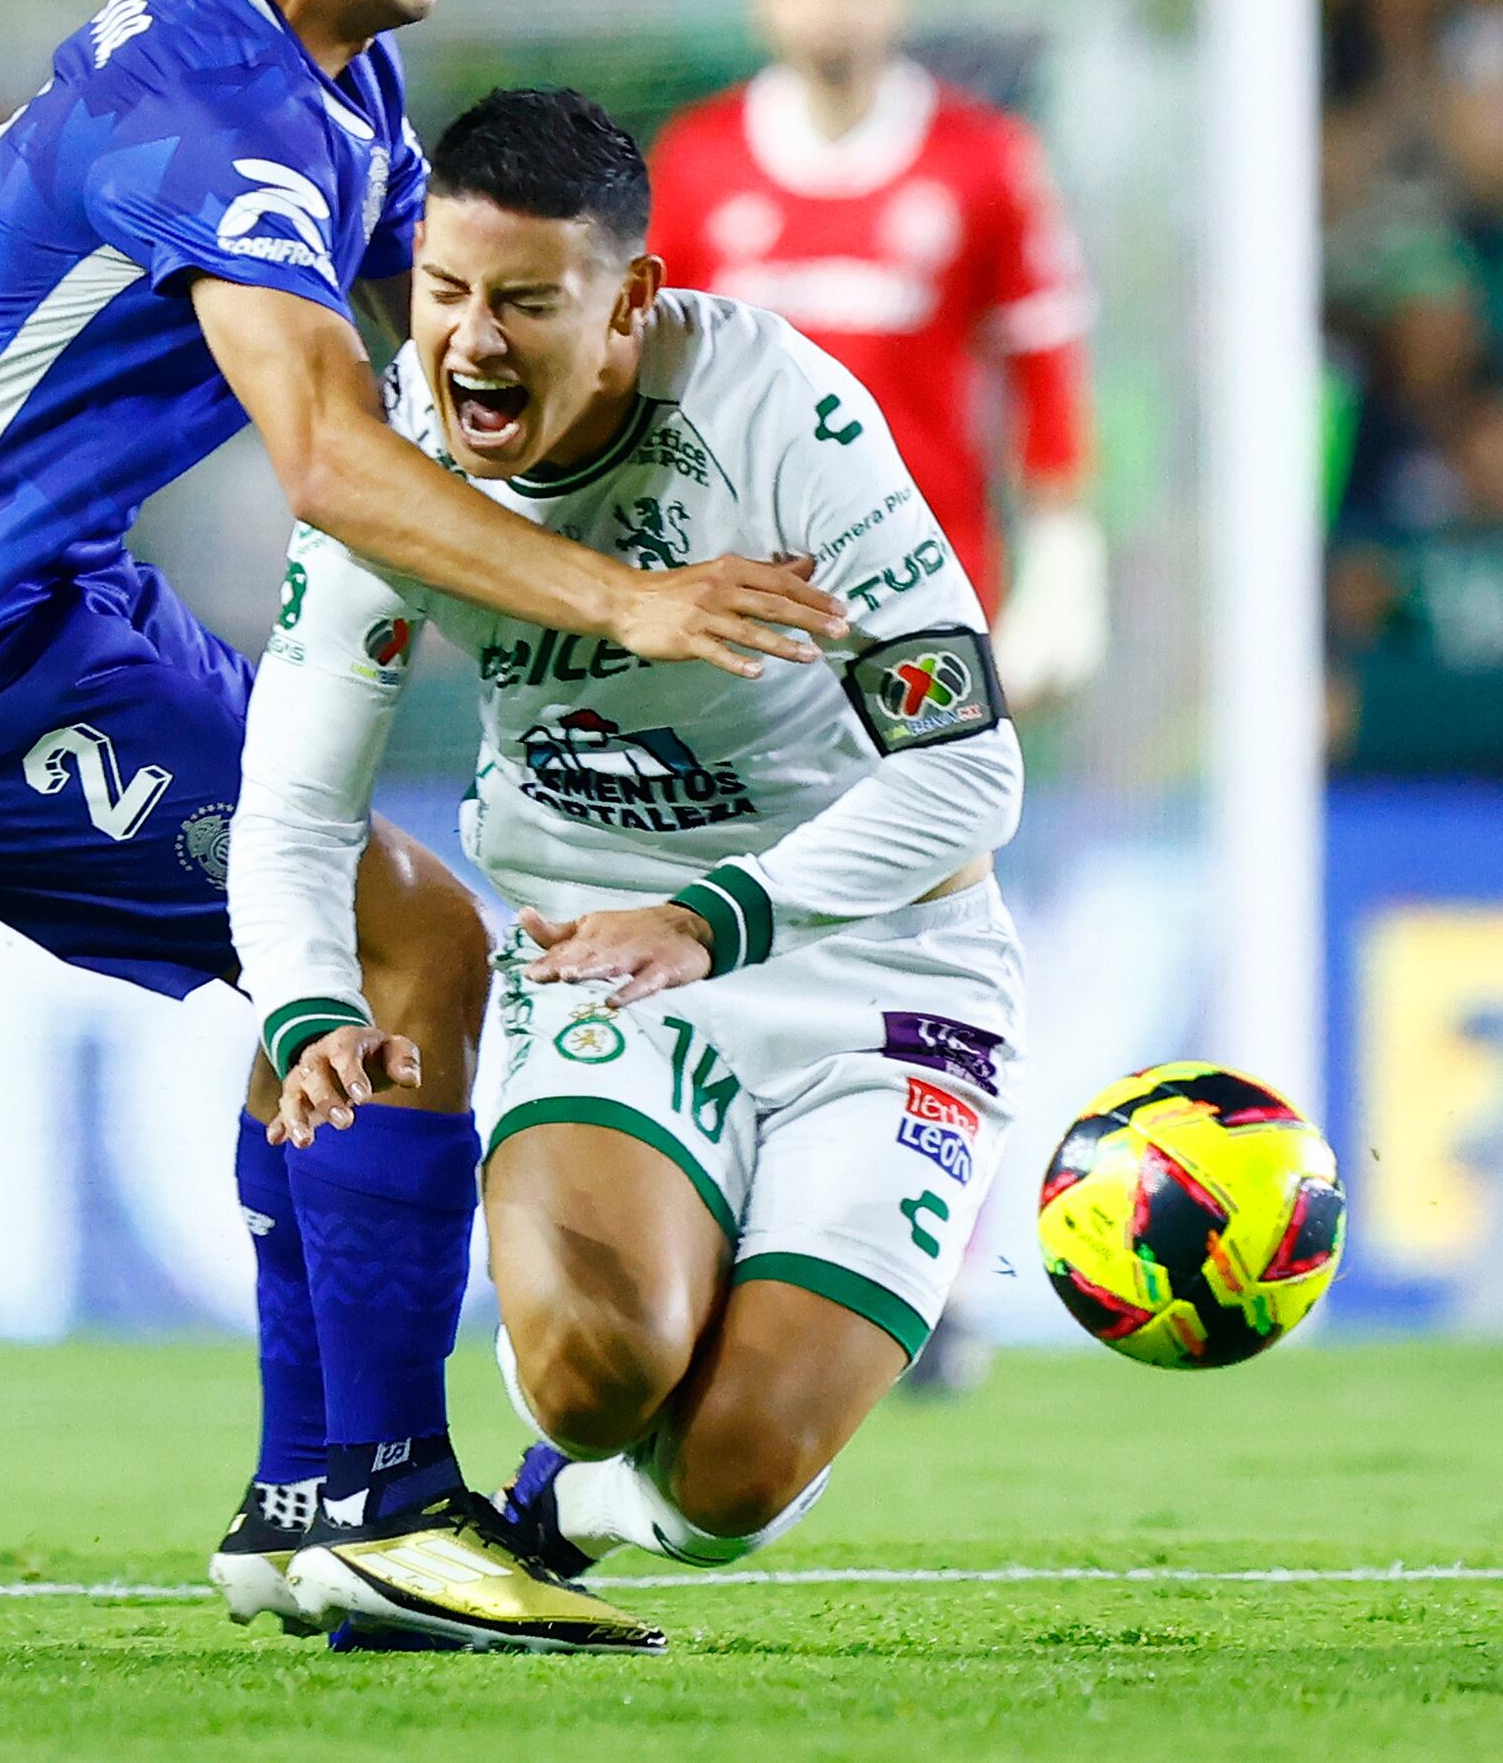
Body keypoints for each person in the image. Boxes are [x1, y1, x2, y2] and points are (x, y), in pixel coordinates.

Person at [0, 0, 844, 1653]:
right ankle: (372, 1498)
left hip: (52, 604)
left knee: (343, 931)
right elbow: (334, 455)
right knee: (404, 938)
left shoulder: (329, 75)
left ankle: (298, 1502)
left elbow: (463, 357)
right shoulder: (198, 101)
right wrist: (626, 603)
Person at [236, 86, 1026, 1625]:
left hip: (882, 968)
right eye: (444, 292)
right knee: (599, 1372)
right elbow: (294, 807)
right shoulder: (391, 459)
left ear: (629, 302)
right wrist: (305, 1003)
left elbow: (972, 776)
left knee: (731, 1477)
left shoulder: (783, 418)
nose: (468, 341)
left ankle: (564, 1511)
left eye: (525, 302)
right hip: (601, 952)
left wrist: (719, 916)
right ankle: (572, 1433)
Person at [650, 0, 1100, 701]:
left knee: (943, 810)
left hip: (928, 571)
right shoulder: (695, 160)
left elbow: (1045, 362)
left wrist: (1064, 559)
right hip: (737, 576)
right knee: (753, 821)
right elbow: (644, 371)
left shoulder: (986, 160)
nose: (830, 1)